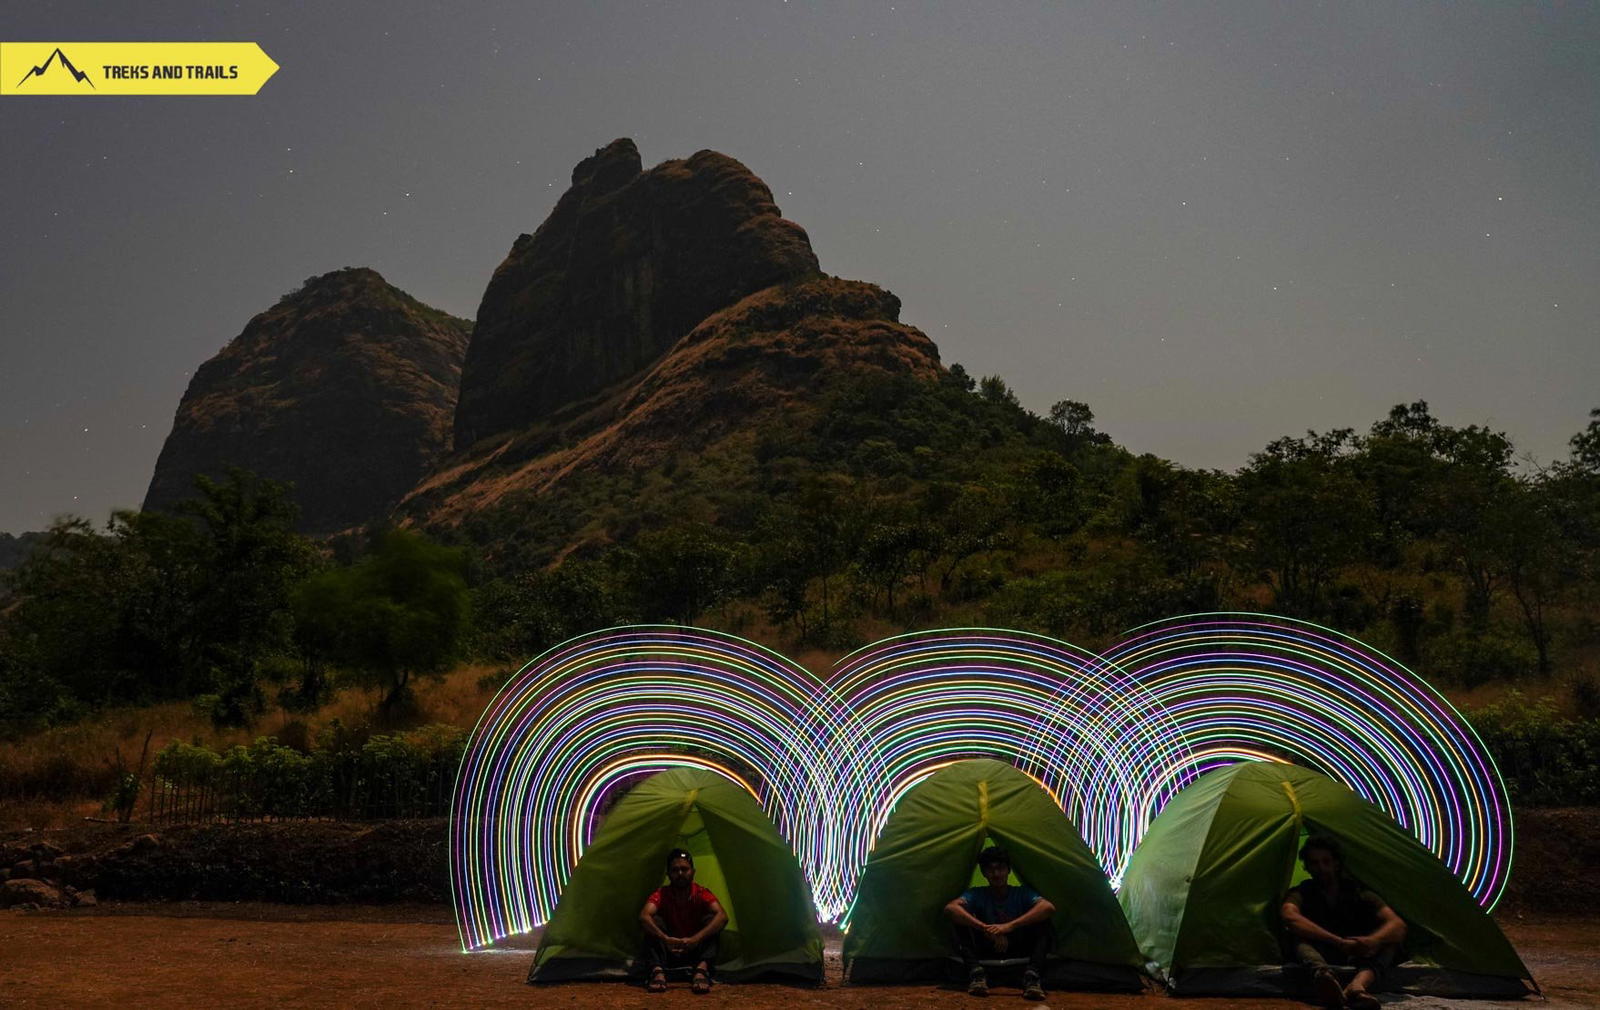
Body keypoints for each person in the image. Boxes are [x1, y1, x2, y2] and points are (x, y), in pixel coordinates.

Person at [1280, 834, 1407, 1010]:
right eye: (1314, 863)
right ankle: (1324, 977)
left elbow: (1397, 924)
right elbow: (1290, 916)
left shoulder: (1356, 891)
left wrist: (1372, 941)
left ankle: (1357, 986)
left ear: (1336, 863)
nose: (1321, 868)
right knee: (1296, 938)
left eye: (1326, 862)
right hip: (1325, 949)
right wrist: (1337, 941)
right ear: (1307, 867)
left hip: (1356, 950)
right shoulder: (1303, 891)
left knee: (1390, 943)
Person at [944, 845, 1056, 1000]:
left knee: (1044, 922)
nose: (996, 874)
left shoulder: (1021, 893)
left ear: (1009, 870)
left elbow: (1048, 907)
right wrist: (985, 928)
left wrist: (1008, 927)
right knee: (959, 920)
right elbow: (951, 908)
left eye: (1001, 868)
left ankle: (1032, 977)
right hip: (987, 946)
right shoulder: (978, 894)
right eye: (990, 869)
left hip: (1017, 945)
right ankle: (977, 974)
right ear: (983, 873)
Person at [640, 847, 728, 994]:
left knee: (712, 920)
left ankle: (701, 970)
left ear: (692, 872)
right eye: (675, 870)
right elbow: (644, 916)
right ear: (668, 874)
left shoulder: (701, 893)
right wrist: (666, 939)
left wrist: (695, 939)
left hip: (694, 950)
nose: (680, 874)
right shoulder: (662, 894)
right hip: (669, 950)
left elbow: (722, 916)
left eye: (684, 869)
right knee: (652, 922)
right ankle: (657, 971)